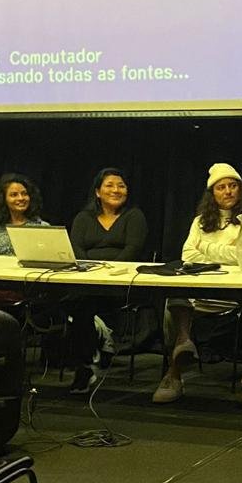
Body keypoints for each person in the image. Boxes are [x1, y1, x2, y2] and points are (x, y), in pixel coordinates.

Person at [152, 163, 242, 403]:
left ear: (240, 190)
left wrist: (207, 249)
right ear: (213, 193)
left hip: (230, 295)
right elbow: (188, 255)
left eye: (232, 186)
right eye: (221, 187)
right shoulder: (200, 221)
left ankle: (176, 361)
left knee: (178, 307)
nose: (228, 191)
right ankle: (178, 363)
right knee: (172, 298)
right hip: (196, 295)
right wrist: (223, 253)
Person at [67, 167, 148, 393]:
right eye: (109, 185)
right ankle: (85, 365)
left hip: (122, 282)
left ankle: (97, 340)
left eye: (121, 186)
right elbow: (76, 249)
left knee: (81, 307)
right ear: (97, 192)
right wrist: (90, 273)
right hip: (86, 279)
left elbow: (132, 250)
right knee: (74, 303)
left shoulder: (134, 216)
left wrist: (108, 273)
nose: (116, 190)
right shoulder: (83, 218)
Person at [0, 173, 49, 256]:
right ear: (3, 199)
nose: (21, 198)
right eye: (14, 195)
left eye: (24, 193)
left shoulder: (42, 227)